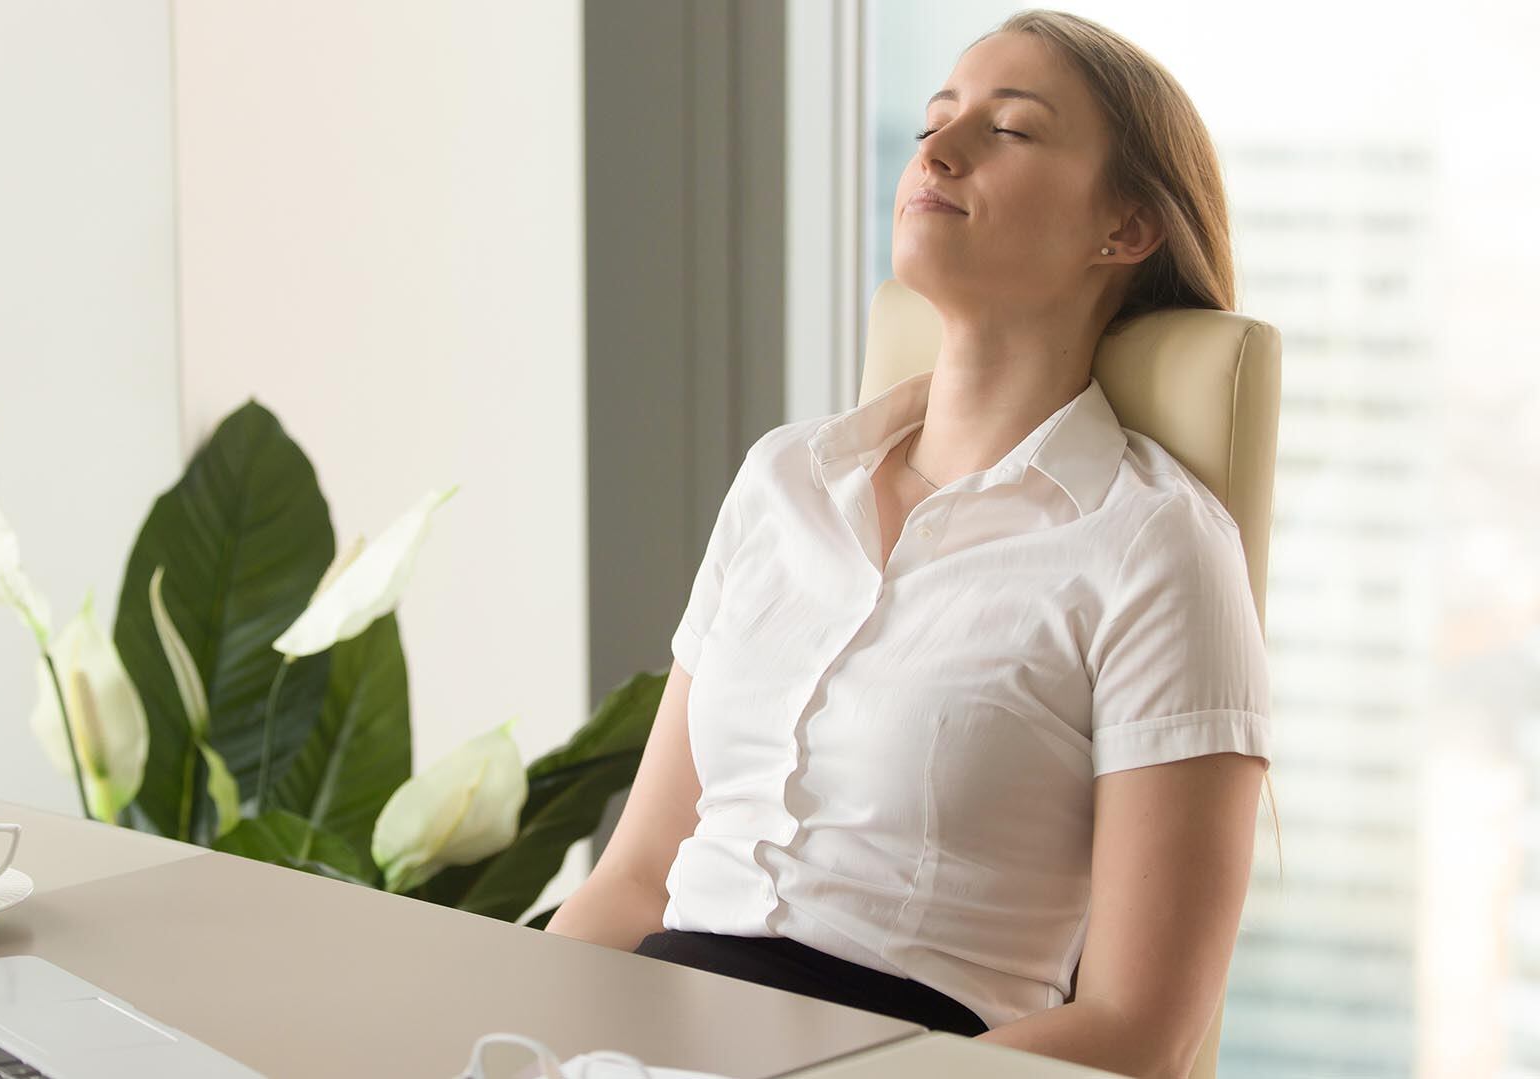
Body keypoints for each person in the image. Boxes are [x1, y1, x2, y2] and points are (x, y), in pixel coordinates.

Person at [545, 9, 1280, 1078]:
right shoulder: (783, 480)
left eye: (1011, 130)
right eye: (939, 116)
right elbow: (636, 876)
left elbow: (1141, 1029)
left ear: (1124, 228)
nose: (935, 149)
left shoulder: (1155, 548)